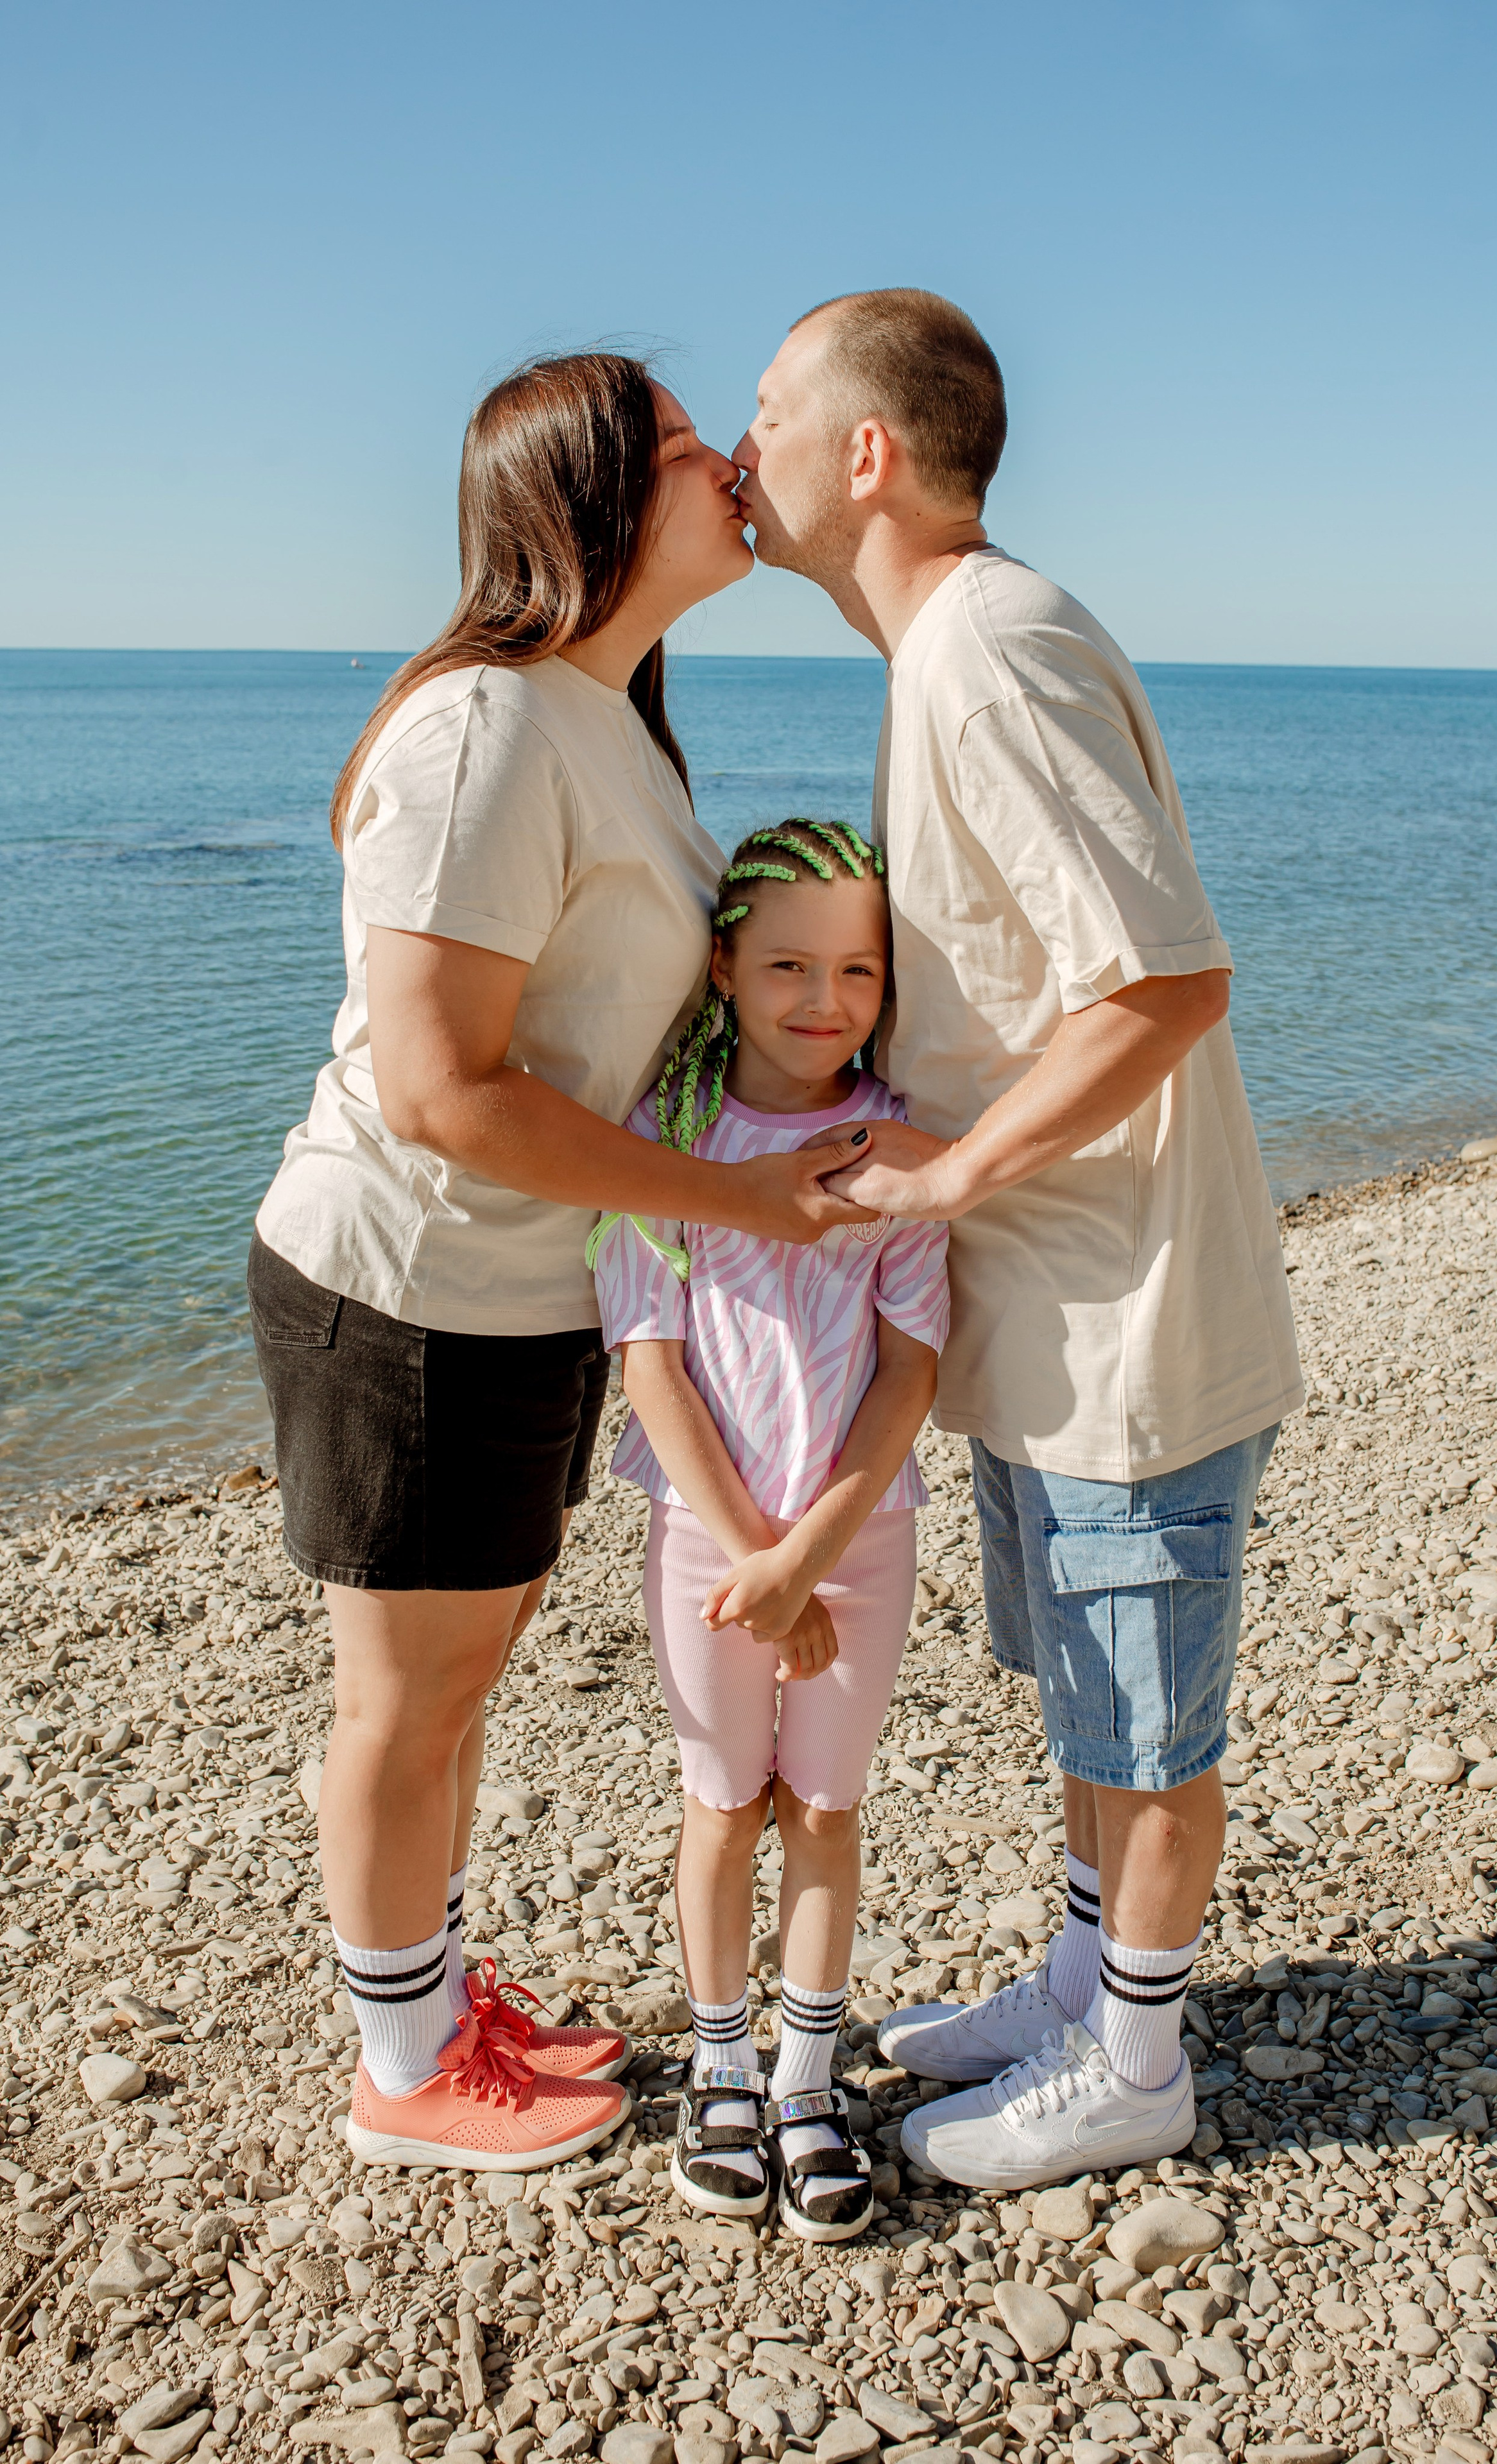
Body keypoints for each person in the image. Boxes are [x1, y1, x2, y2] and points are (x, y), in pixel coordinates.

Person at [248, 352, 878, 2173]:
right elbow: (446, 1089)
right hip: (408, 1285)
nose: (733, 462)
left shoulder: (605, 721)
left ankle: (433, 1994)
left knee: (468, 1666)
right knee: (409, 1690)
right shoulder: (486, 728)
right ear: (586, 499)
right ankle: (402, 2067)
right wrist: (753, 1210)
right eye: (688, 445)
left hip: (526, 1290)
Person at [730, 291, 1305, 2186]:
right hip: (1052, 1307)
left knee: (1143, 1712)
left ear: (867, 453)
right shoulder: (950, 652)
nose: (748, 455)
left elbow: (1163, 982)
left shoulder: (985, 647)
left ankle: (1139, 2064)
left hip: (1121, 1305)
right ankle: (1083, 1986)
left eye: (768, 415)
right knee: (1086, 1689)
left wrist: (937, 1182)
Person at [591, 819, 948, 2239]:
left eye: (857, 968)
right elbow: (650, 1360)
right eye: (789, 963)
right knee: (722, 1802)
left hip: (858, 1539)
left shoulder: (893, 1148)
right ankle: (723, 2063)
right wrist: (756, 1557)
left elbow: (910, 1368)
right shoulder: (665, 1141)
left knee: (824, 1809)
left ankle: (809, 2079)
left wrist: (808, 1558)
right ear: (725, 964)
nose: (824, 998)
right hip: (704, 1544)